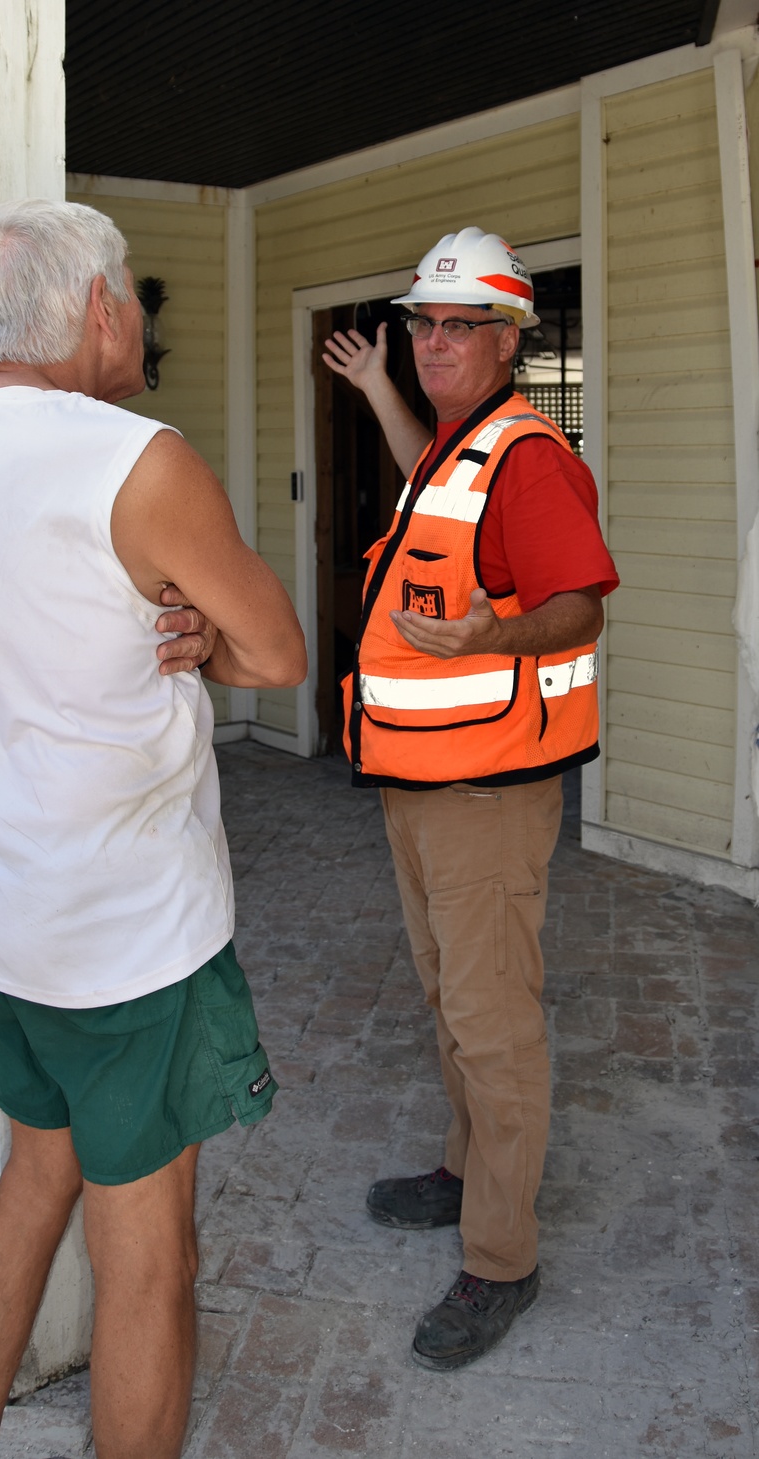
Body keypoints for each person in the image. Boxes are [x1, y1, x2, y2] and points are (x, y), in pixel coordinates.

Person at [0, 198, 306, 1459]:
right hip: (125, 944)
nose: (141, 327)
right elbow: (277, 648)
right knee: (148, 1262)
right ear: (100, 310)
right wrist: (208, 639)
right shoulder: (132, 458)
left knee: (32, 1178)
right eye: (136, 303)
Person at [323, 226, 617, 1372]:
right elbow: (424, 481)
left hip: (486, 790)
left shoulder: (528, 457)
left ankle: (502, 1257)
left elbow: (580, 604)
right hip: (418, 775)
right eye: (423, 325)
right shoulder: (460, 444)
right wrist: (380, 390)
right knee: (451, 991)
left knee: (492, 1019)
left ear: (506, 340)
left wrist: (497, 630)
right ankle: (462, 1168)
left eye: (459, 328)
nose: (436, 342)